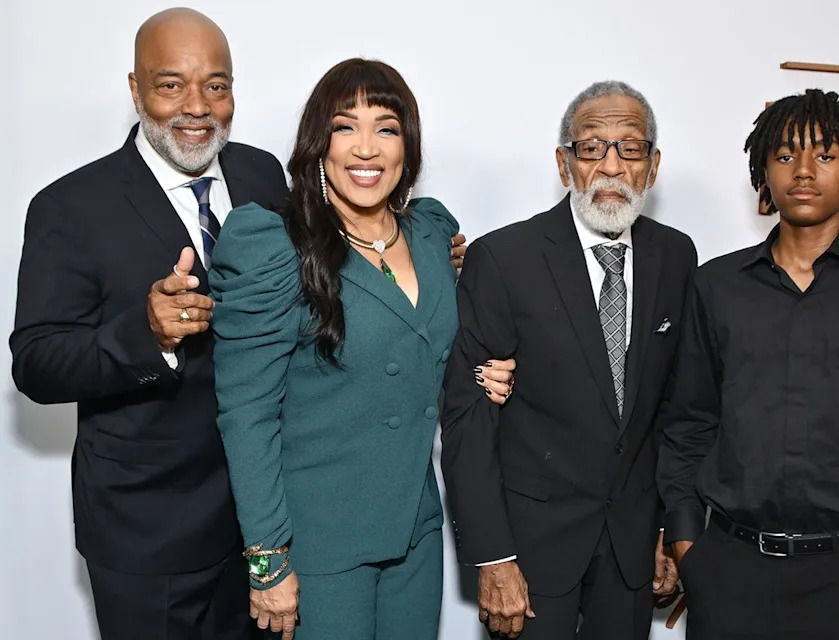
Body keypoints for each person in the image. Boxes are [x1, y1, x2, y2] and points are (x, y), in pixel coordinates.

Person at [208, 57, 514, 640]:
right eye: (345, 126)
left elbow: (434, 349)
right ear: (318, 144)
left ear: (408, 147)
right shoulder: (273, 246)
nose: (366, 148)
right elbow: (246, 414)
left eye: (387, 128)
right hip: (319, 542)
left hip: (415, 531)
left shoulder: (428, 235)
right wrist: (268, 560)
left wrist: (482, 372)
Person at [9, 8, 288, 638]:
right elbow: (36, 362)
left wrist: (412, 257)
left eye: (216, 85)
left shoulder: (263, 175)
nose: (197, 107)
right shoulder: (70, 207)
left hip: (266, 520)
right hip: (148, 532)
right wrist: (148, 335)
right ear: (135, 89)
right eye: (171, 85)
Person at [657, 88, 839, 640]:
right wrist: (687, 544)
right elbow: (688, 423)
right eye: (786, 155)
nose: (804, 171)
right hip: (725, 566)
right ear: (764, 170)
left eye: (825, 155)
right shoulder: (716, 286)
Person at [440, 81, 697, 640]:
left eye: (629, 149)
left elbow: (674, 410)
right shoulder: (504, 259)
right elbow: (468, 417)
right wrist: (491, 557)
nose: (610, 166)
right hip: (530, 553)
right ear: (564, 164)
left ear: (652, 167)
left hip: (634, 550)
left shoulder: (677, 257)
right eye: (591, 148)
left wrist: (671, 530)